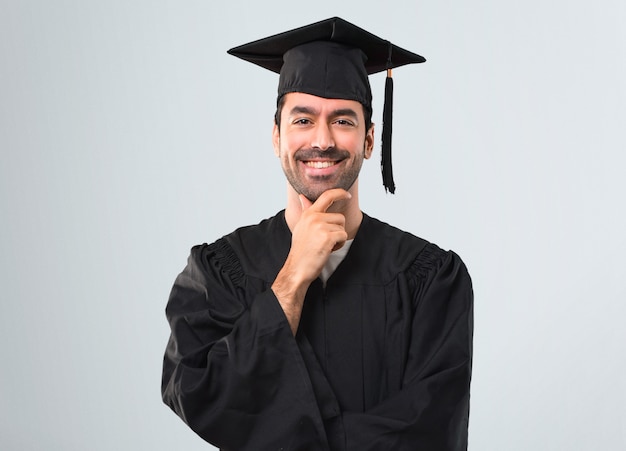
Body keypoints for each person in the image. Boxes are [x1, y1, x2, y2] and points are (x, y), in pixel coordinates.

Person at [162, 17, 473, 451]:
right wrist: (291, 280)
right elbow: (201, 394)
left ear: (369, 139)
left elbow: (432, 431)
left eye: (343, 121)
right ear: (277, 137)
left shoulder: (431, 279)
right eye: (303, 120)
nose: (322, 141)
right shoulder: (220, 273)